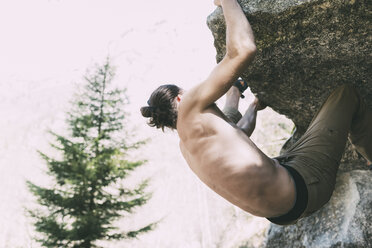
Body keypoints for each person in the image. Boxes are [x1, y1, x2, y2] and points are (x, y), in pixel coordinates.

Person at [140, 0, 372, 225]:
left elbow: (235, 131)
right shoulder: (190, 104)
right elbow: (243, 50)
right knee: (345, 94)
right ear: (180, 97)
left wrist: (246, 100)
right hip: (305, 183)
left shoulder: (187, 145)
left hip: (289, 209)